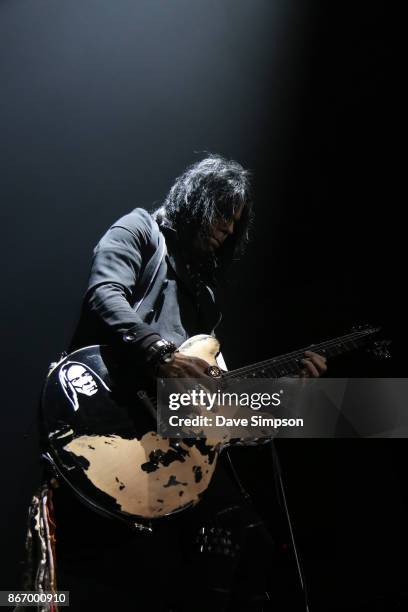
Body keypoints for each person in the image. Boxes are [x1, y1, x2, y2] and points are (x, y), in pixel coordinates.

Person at [26, 154, 327, 611]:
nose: (227, 228)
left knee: (251, 539)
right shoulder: (138, 230)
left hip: (164, 450)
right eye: (222, 213)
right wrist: (158, 353)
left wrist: (289, 394)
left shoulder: (204, 304)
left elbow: (217, 411)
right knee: (77, 583)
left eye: (235, 222)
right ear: (196, 198)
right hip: (102, 411)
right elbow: (104, 293)